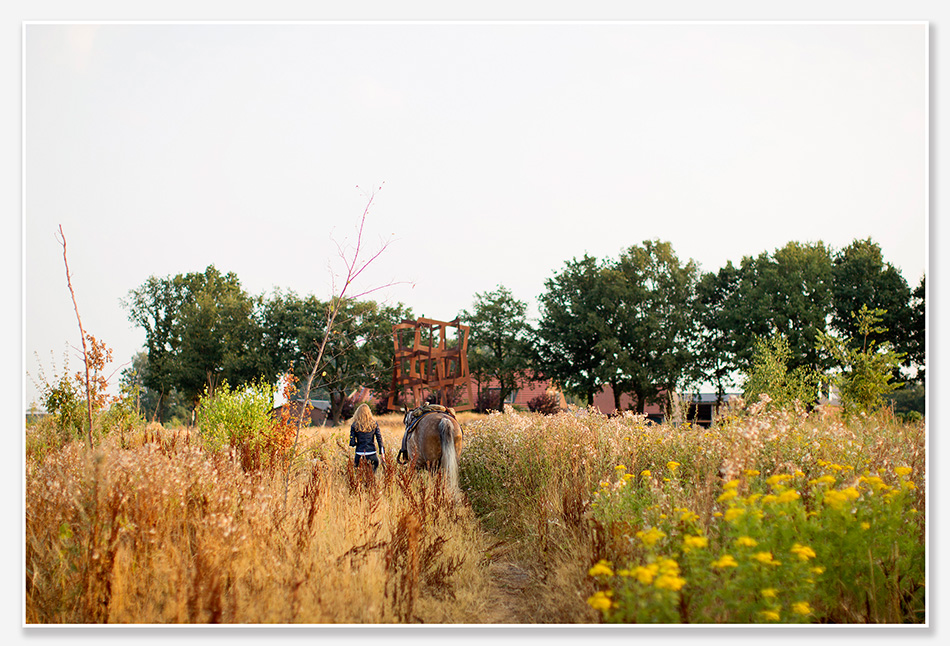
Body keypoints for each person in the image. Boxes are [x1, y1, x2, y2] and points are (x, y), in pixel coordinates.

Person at [349, 403, 384, 472]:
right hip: (372, 454)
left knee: (358, 478)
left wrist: (357, 443)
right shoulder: (374, 424)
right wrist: (382, 453)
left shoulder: (354, 425)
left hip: (360, 454)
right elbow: (379, 439)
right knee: (372, 478)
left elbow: (352, 443)